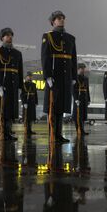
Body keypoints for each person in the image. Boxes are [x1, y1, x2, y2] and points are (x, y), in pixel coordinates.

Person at [41, 10, 77, 143]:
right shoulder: (48, 36)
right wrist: (47, 76)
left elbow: (73, 59)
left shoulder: (70, 38)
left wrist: (74, 76)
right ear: (53, 22)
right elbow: (45, 57)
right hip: (54, 77)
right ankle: (52, 134)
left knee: (62, 107)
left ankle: (58, 134)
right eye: (58, 18)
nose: (61, 20)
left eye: (62, 18)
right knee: (53, 106)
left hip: (66, 77)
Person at [0, 27, 23, 141]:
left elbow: (20, 71)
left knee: (10, 110)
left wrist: (20, 86)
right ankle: (2, 132)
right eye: (7, 35)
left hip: (13, 85)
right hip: (2, 85)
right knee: (2, 109)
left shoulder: (17, 53)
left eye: (10, 35)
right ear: (2, 38)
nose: (9, 37)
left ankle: (8, 131)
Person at [72, 63, 91, 136]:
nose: (83, 70)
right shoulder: (75, 78)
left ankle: (82, 130)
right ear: (78, 69)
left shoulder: (86, 78)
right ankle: (78, 130)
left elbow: (87, 89)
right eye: (81, 68)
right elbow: (73, 89)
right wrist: (76, 99)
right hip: (78, 98)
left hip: (84, 97)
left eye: (84, 68)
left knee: (83, 115)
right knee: (78, 115)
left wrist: (89, 99)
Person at [21, 71, 38, 137]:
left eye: (31, 76)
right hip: (26, 102)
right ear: (26, 77)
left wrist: (36, 102)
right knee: (26, 117)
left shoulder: (34, 84)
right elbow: (22, 94)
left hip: (32, 102)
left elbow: (35, 94)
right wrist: (24, 102)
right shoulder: (24, 84)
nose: (30, 77)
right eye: (29, 76)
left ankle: (30, 129)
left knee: (31, 117)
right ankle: (26, 129)